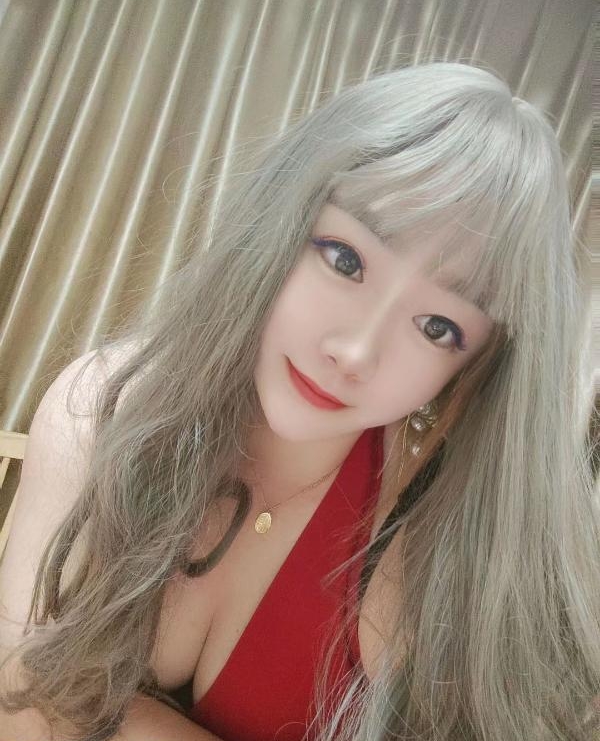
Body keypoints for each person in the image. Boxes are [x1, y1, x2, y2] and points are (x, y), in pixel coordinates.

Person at [0, 61, 598, 741]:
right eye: (345, 259)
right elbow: (19, 704)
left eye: (437, 327)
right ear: (278, 224)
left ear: (470, 371)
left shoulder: (426, 554)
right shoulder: (104, 407)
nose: (356, 351)